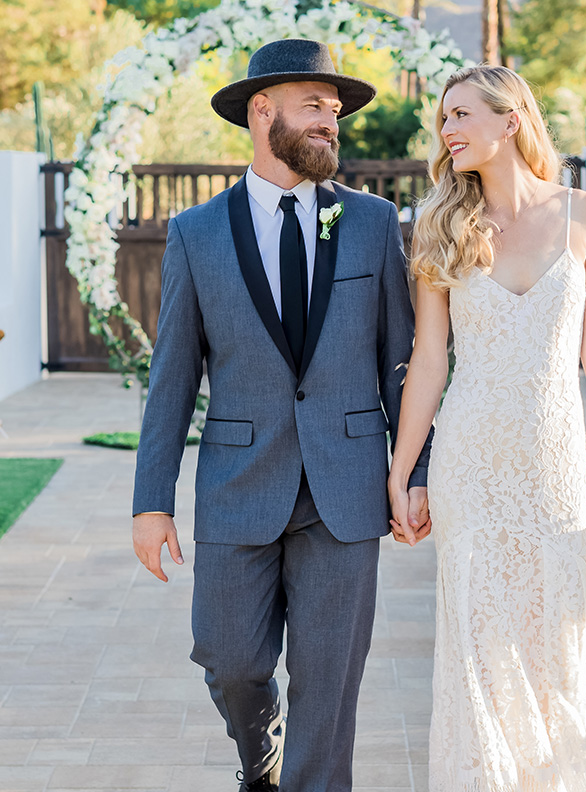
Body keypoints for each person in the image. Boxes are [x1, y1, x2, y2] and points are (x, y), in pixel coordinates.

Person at [131, 39, 431, 792]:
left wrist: (414, 472)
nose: (331, 121)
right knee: (231, 662)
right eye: (314, 106)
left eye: (335, 110)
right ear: (262, 112)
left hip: (348, 488)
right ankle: (257, 751)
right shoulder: (196, 233)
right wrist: (150, 502)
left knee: (329, 690)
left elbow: (404, 362)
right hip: (240, 483)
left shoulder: (369, 222)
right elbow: (172, 375)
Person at [387, 65, 586, 791]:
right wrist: (404, 470)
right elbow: (429, 359)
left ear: (511, 121)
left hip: (554, 463)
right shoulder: (437, 223)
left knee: (554, 648)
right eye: (443, 118)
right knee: (477, 650)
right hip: (470, 462)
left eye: (462, 114)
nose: (446, 130)